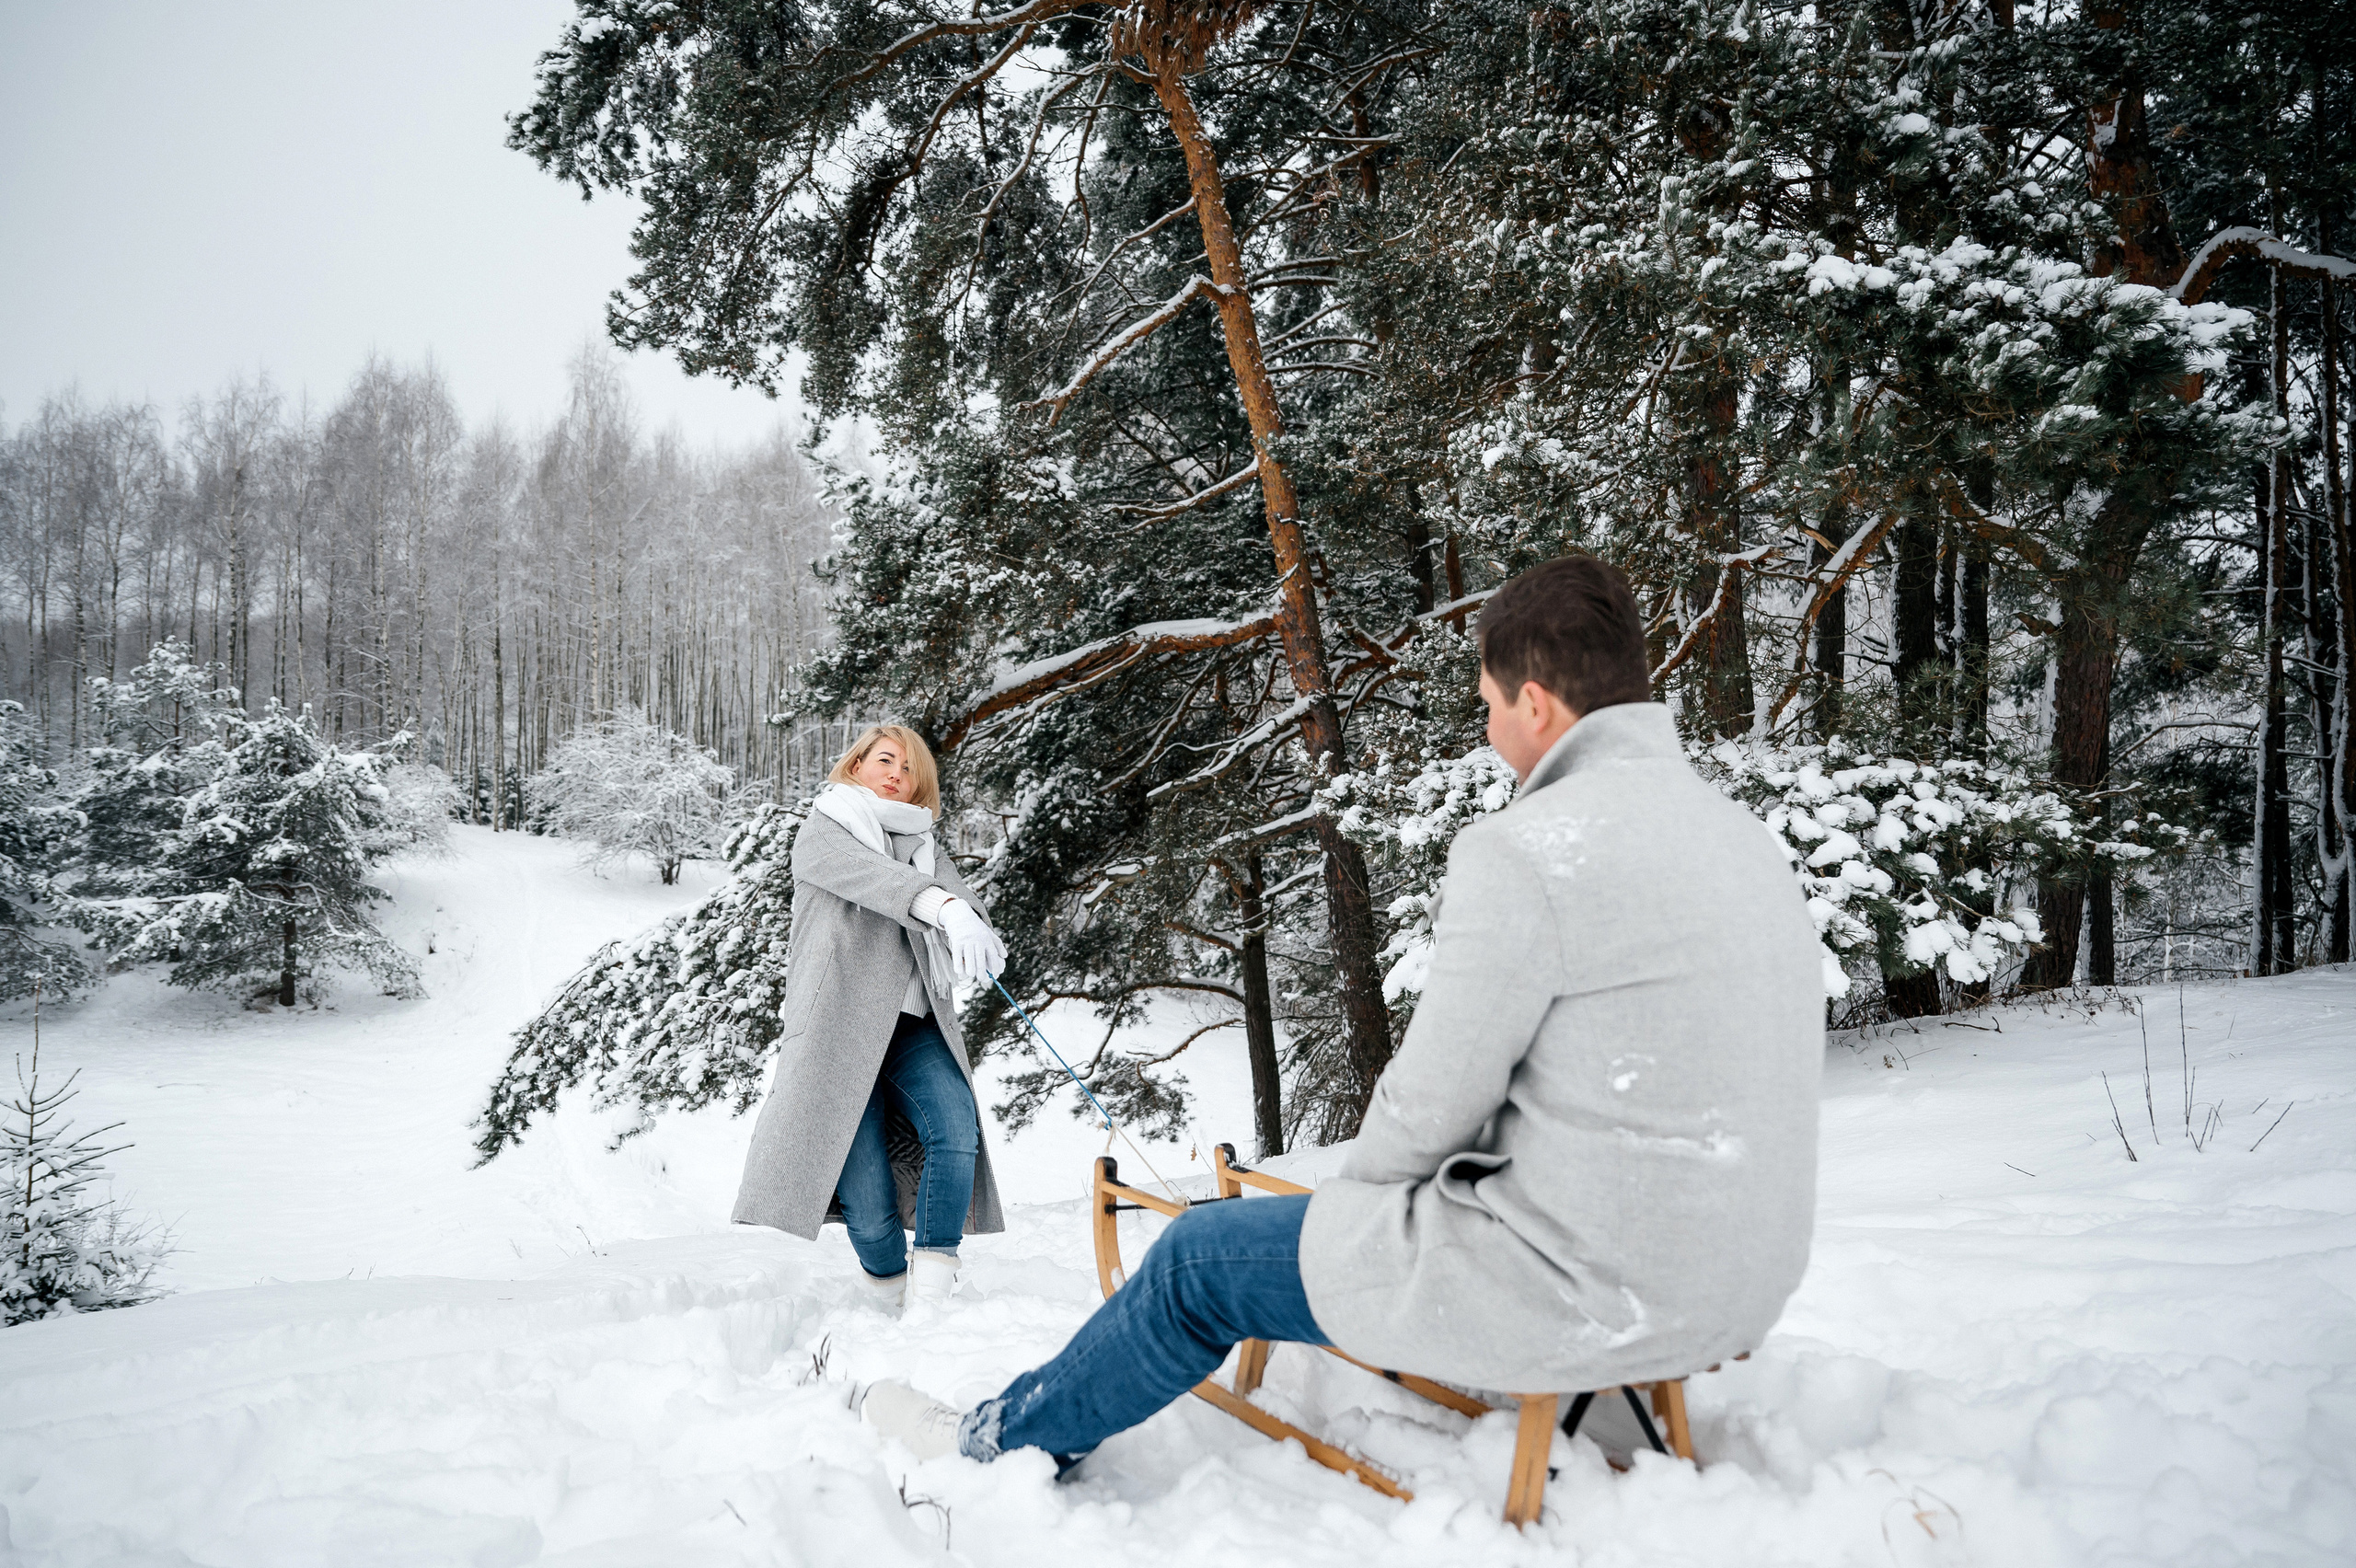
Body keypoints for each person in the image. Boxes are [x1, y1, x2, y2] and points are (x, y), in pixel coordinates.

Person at [860, 555, 1826, 1464]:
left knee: (1198, 1256)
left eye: (1489, 706)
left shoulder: (1529, 849)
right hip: (1735, 1289)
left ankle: (995, 1441)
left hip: (1575, 1291)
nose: (1489, 732)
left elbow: (1433, 1102)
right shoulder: (1745, 842)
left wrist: (1351, 1218)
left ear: (1536, 703)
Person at [733, 724, 1010, 1313]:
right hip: (839, 1031)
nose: (896, 775)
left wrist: (973, 925)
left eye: (909, 770)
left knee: (955, 1124)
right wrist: (942, 905)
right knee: (866, 1196)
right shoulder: (823, 830)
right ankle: (886, 1289)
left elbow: (965, 902)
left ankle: (933, 1297)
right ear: (856, 764)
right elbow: (878, 882)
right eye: (885, 760)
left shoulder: (926, 847)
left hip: (913, 1027)